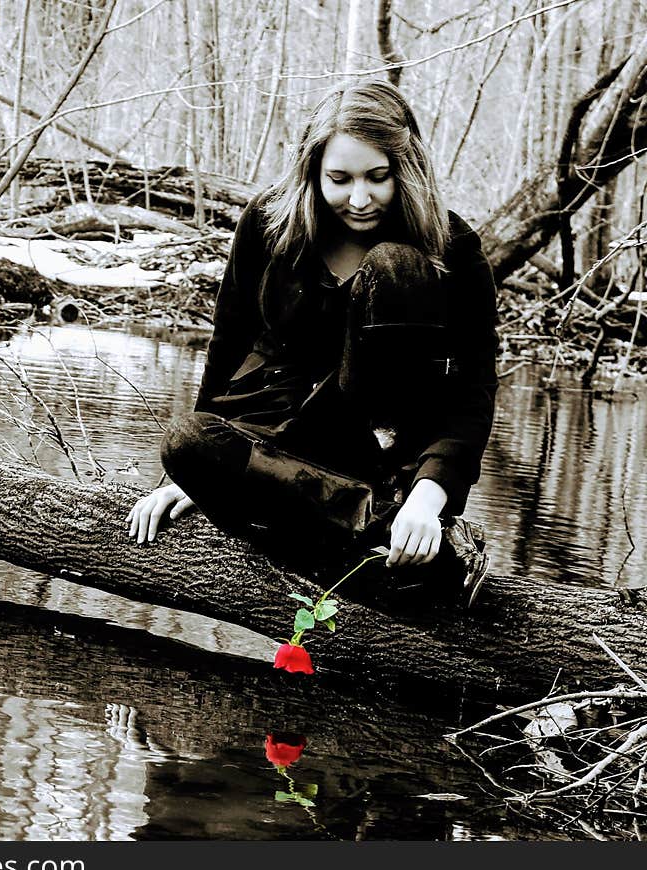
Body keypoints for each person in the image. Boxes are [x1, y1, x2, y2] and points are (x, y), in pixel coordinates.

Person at [126, 80, 498, 607]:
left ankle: (398, 529)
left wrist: (428, 497)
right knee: (188, 439)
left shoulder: (452, 248)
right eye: (339, 179)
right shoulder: (267, 223)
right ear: (312, 171)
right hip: (279, 443)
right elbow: (228, 347)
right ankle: (376, 536)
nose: (360, 198)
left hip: (381, 456)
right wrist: (189, 478)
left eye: (378, 177)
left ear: (406, 169)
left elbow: (473, 391)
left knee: (396, 266)